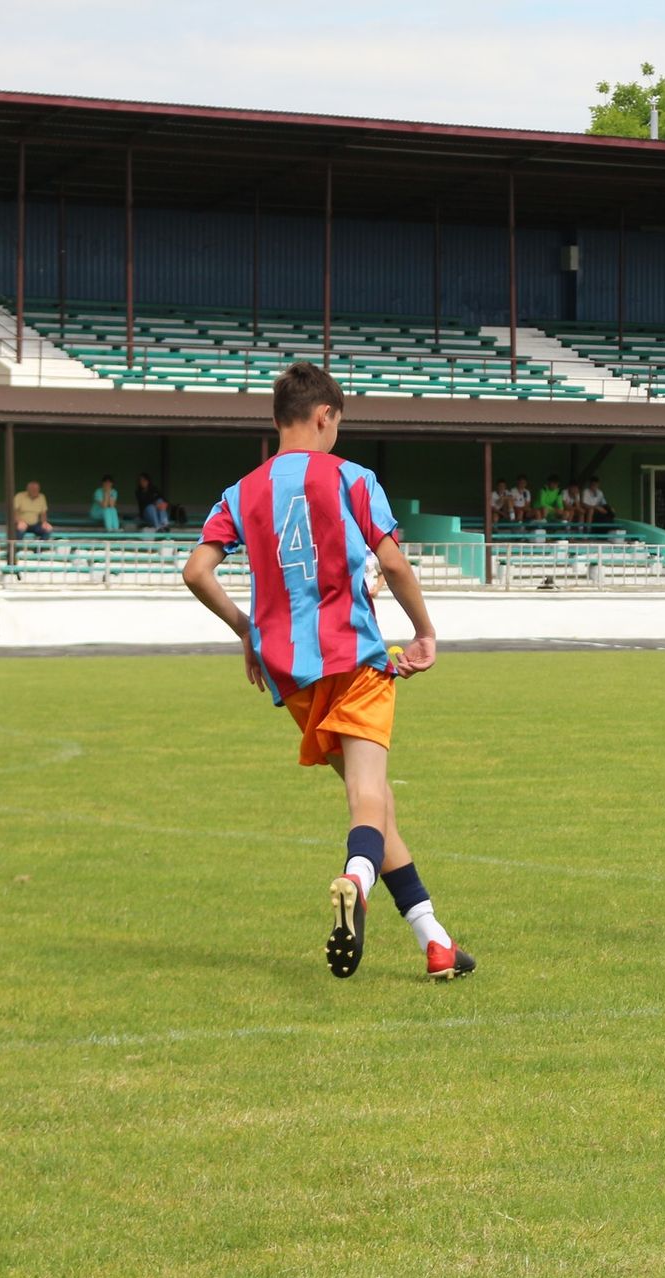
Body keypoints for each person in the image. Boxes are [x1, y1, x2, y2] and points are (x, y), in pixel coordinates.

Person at [180, 361, 473, 981]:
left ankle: (436, 941)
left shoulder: (242, 492)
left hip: (294, 677)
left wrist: (247, 630)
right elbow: (392, 565)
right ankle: (355, 879)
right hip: (358, 661)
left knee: (379, 804)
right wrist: (424, 631)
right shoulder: (353, 478)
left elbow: (196, 572)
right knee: (367, 798)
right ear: (324, 416)